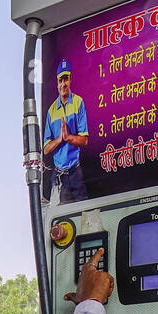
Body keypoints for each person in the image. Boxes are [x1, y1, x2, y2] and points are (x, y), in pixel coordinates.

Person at [43, 58, 89, 205]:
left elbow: (84, 140)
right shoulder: (51, 111)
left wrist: (68, 137)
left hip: (75, 172)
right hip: (58, 176)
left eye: (66, 79)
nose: (63, 84)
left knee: (85, 215)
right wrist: (59, 139)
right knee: (61, 221)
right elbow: (46, 149)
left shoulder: (78, 103)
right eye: (60, 80)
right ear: (57, 83)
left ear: (70, 79)